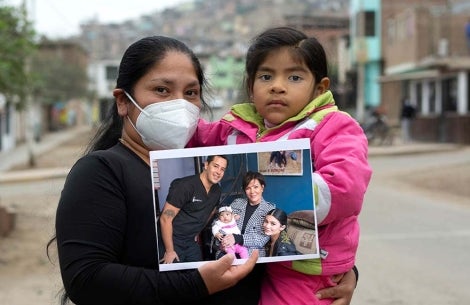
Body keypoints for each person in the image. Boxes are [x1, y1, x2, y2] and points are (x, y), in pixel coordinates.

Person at [46, 35, 259, 305]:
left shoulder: (205, 184)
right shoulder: (101, 172)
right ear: (123, 101)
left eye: (191, 93)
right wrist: (196, 284)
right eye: (162, 90)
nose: (179, 104)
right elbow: (86, 279)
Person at [189, 26, 372, 305]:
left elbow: (345, 187)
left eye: (295, 76)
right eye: (266, 76)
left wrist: (285, 193)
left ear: (319, 87)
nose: (277, 85)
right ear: (251, 87)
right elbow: (194, 137)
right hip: (259, 255)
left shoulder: (333, 126)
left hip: (305, 268)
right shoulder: (237, 126)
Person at [160, 155, 228, 263]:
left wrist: (197, 231)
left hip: (191, 242)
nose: (218, 172)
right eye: (216, 166)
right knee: (173, 277)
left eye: (222, 169)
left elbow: (210, 213)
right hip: (172, 240)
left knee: (197, 275)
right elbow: (165, 219)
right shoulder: (185, 186)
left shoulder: (217, 191)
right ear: (206, 165)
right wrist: (169, 251)